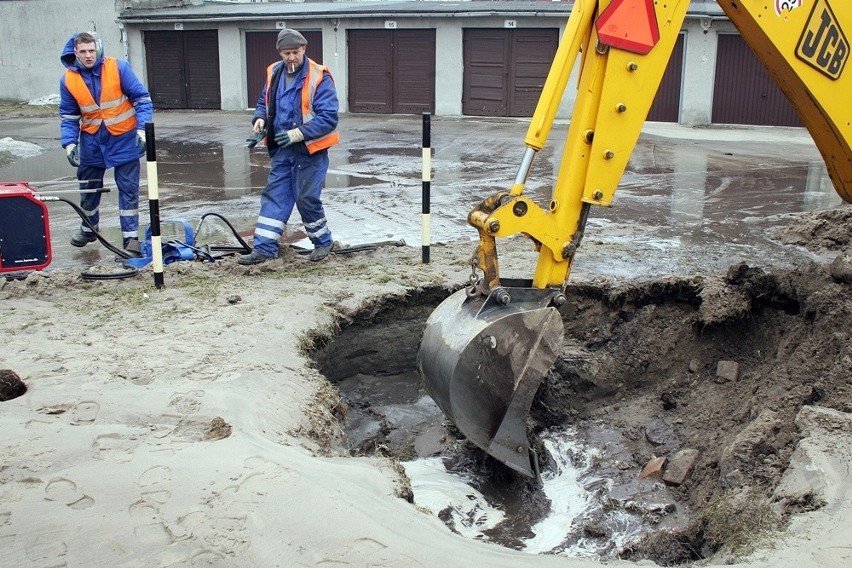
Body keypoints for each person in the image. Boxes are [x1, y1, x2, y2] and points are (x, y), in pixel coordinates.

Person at [239, 28, 340, 265]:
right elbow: (264, 102)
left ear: (304, 49)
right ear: (280, 53)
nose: (291, 57)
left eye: (295, 52)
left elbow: (328, 117)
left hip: (310, 151)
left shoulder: (319, 76)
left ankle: (323, 242)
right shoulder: (274, 72)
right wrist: (260, 120)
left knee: (306, 197)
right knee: (275, 195)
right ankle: (264, 249)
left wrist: (298, 134)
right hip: (283, 151)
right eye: (287, 53)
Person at [59, 31, 153, 256]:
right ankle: (89, 228)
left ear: (98, 48)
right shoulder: (68, 79)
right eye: (83, 52)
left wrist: (142, 131)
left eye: (92, 50)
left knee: (128, 190)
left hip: (124, 139)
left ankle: (130, 240)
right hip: (92, 141)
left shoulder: (118, 68)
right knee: (89, 187)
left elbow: (142, 100)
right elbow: (69, 116)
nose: (88, 55)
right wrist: (70, 144)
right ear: (76, 53)